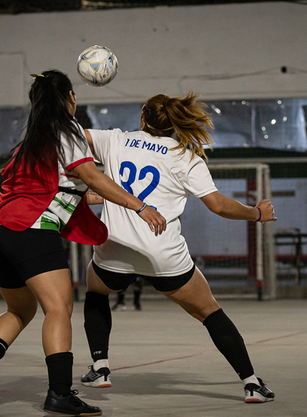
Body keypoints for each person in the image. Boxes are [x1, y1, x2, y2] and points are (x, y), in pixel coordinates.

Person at [0, 70, 166, 416]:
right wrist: (140, 205)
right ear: (70, 97)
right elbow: (91, 177)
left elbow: (63, 190)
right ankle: (59, 393)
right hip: (30, 227)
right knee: (59, 309)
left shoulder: (31, 140)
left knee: (20, 310)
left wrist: (110, 200)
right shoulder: (67, 130)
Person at [80, 91, 277, 404]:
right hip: (163, 254)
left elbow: (71, 136)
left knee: (96, 292)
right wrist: (256, 214)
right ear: (175, 124)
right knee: (210, 311)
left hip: (115, 248)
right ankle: (252, 383)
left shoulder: (114, 140)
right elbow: (218, 206)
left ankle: (100, 366)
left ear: (142, 119)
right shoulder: (186, 157)